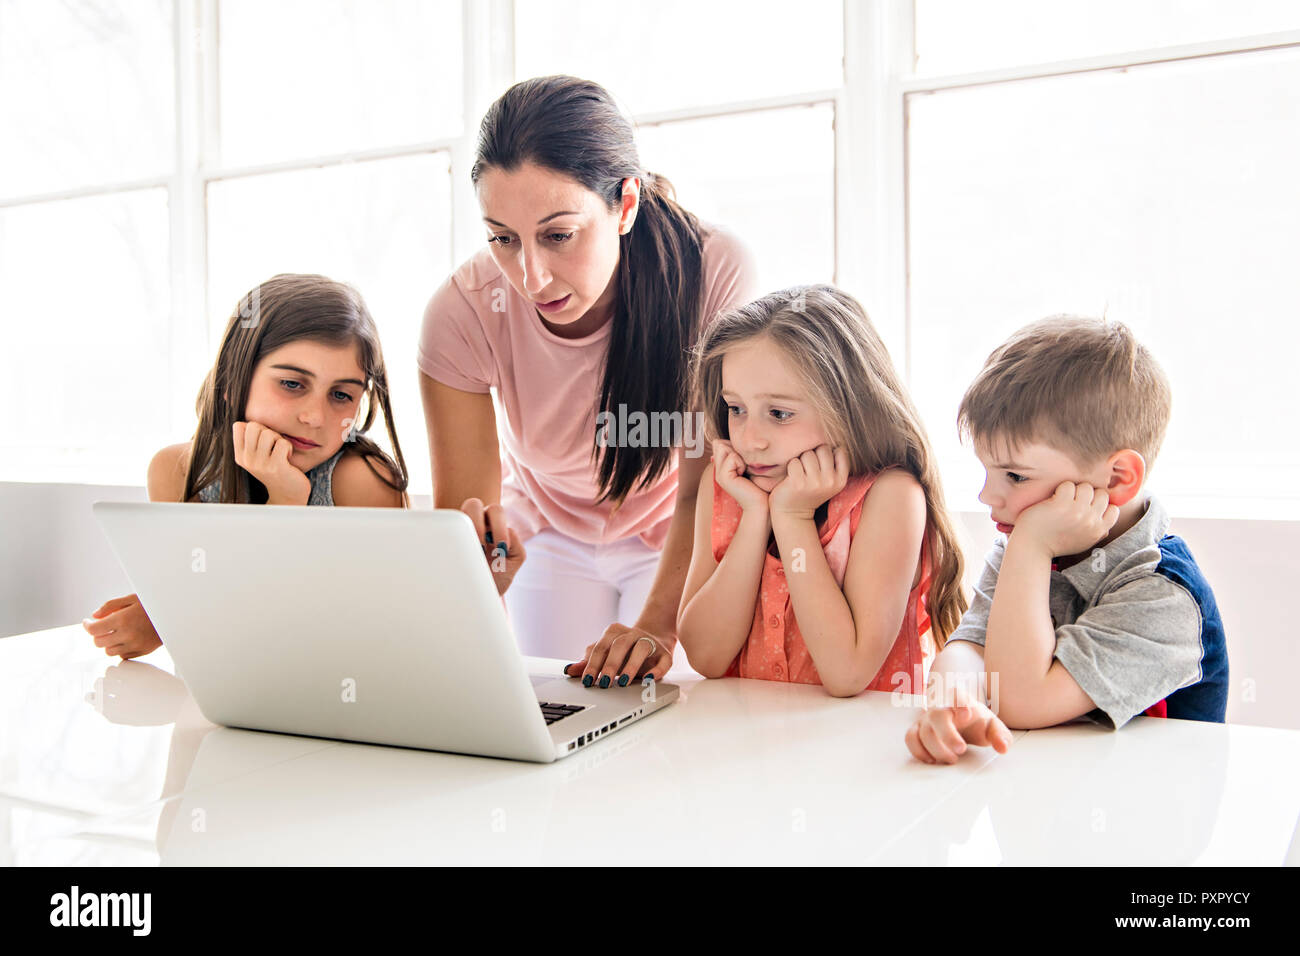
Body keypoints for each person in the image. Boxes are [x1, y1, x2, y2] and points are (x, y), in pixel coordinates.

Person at [418, 75, 757, 681]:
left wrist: (657, 625)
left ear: (624, 204)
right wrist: (485, 583)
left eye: (558, 236)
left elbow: (706, 480)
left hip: (676, 530)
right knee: (555, 710)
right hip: (548, 533)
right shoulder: (463, 310)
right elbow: (472, 523)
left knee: (668, 715)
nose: (532, 277)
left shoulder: (713, 270)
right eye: (502, 239)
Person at [906, 316, 1228, 765]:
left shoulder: (1163, 593)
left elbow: (1020, 702)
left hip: (1143, 818)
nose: (986, 495)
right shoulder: (1029, 545)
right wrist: (952, 699)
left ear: (1117, 478)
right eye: (988, 471)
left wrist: (1032, 547)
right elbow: (970, 644)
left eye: (1015, 476)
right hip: (1048, 795)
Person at [83, 274, 411, 660]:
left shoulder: (362, 481)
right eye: (292, 384)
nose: (315, 417)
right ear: (233, 379)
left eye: (341, 395)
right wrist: (164, 612)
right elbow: (215, 640)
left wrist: (287, 501)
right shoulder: (179, 470)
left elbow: (369, 639)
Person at [677, 285, 969, 696]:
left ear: (848, 407)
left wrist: (793, 519)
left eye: (779, 414)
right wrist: (756, 518)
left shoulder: (890, 498)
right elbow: (705, 656)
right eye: (736, 409)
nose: (750, 439)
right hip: (746, 741)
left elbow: (847, 673)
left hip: (858, 746)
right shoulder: (728, 487)